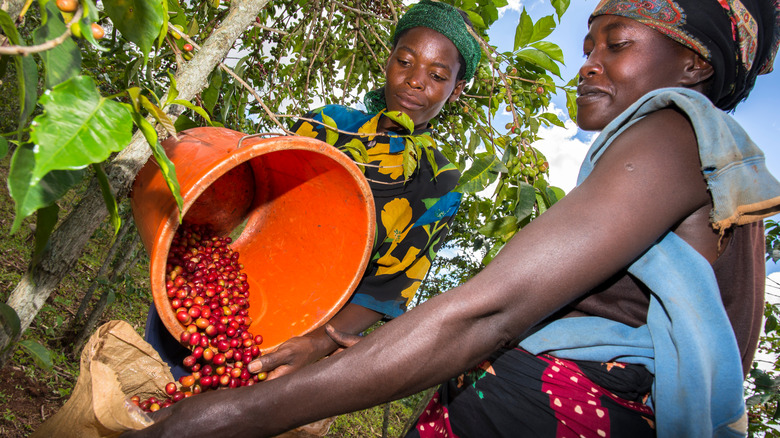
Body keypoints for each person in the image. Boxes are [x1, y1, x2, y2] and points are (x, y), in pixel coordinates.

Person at [124, 0, 780, 437]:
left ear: (694, 65)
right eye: (588, 45)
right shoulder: (695, 162)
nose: (589, 62)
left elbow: (483, 312)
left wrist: (230, 414)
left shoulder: (674, 131)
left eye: (617, 44)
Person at [142, 0, 481, 381]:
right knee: (157, 384)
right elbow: (256, 194)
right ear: (388, 62)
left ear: (456, 90)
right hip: (217, 289)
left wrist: (318, 343)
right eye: (405, 61)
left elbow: (387, 287)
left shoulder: (440, 182)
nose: (415, 80)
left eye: (437, 76)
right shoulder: (328, 123)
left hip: (300, 325)